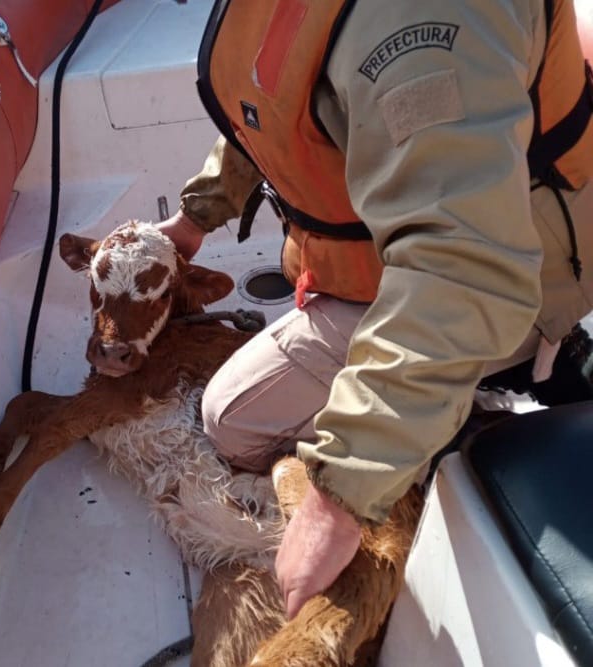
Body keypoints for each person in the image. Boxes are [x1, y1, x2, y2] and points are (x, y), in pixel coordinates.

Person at [157, 0, 593, 620]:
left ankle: (475, 402)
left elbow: (465, 271)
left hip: (508, 283)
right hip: (388, 260)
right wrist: (198, 213)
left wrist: (337, 498)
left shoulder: (421, 21)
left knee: (234, 419)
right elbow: (276, 89)